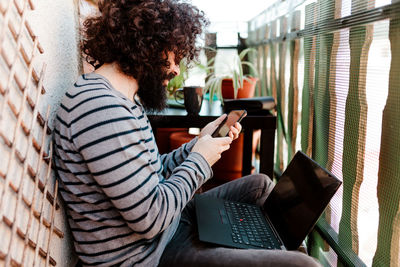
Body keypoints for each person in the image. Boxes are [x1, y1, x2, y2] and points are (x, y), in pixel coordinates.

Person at [53, 0, 321, 266]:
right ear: (148, 45)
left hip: (167, 228)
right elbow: (150, 219)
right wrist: (200, 160)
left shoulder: (120, 99)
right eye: (174, 56)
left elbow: (153, 172)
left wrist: (196, 145)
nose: (176, 70)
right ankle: (280, 256)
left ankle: (268, 247)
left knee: (260, 183)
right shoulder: (102, 110)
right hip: (148, 254)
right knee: (305, 266)